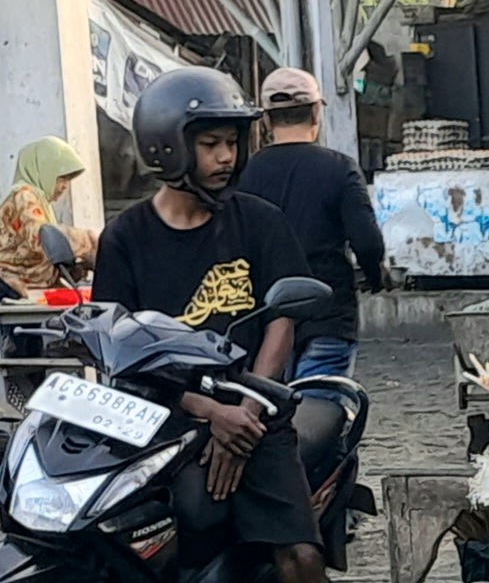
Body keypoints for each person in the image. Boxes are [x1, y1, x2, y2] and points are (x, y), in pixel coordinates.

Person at [92, 67, 326, 583]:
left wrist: (246, 410)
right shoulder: (125, 238)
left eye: (232, 143)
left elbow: (281, 320)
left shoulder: (260, 221)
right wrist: (208, 413)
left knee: (301, 558)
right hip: (161, 419)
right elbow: (118, 346)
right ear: (168, 148)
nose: (226, 157)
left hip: (256, 414)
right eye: (210, 144)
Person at [239, 68, 386, 382]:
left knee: (267, 405)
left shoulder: (245, 174)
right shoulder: (340, 168)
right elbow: (367, 242)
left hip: (262, 319)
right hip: (327, 315)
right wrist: (374, 277)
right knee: (318, 406)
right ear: (317, 112)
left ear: (266, 121)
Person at [0, 137, 98, 300]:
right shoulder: (24, 195)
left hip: (26, 291)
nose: (65, 186)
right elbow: (42, 238)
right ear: (44, 170)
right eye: (62, 178)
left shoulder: (40, 202)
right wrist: (88, 241)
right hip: (9, 289)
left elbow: (43, 257)